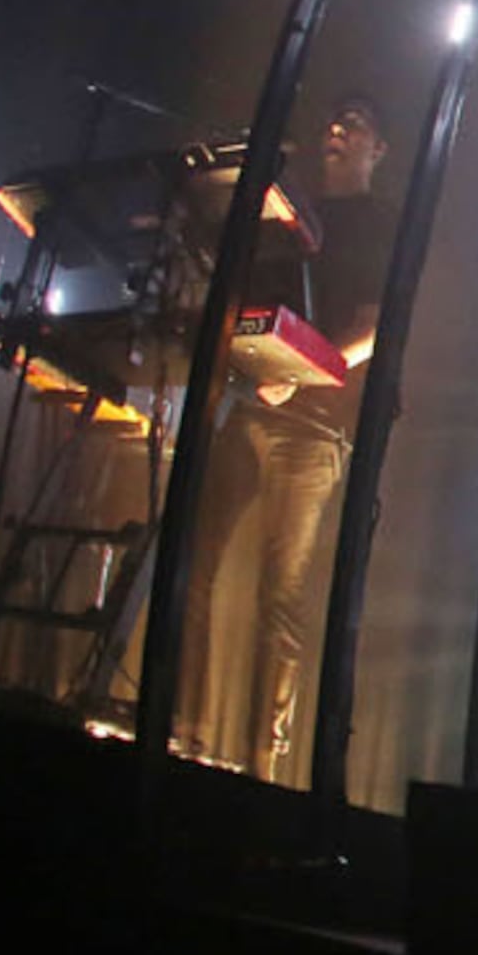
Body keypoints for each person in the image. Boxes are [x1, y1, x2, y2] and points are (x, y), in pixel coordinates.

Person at [182, 92, 390, 782]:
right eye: (336, 119)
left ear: (377, 151)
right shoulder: (287, 211)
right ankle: (181, 723)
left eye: (355, 125)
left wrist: (299, 372)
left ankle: (258, 762)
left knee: (281, 587)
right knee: (194, 557)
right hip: (249, 407)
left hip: (314, 425)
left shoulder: (378, 225)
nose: (337, 130)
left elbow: (375, 330)